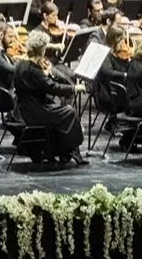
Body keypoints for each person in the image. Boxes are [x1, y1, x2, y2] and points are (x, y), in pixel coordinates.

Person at [13, 30, 88, 166]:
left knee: (62, 112)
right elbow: (53, 87)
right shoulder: (34, 71)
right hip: (37, 111)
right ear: (42, 50)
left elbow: (40, 85)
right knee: (70, 113)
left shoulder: (21, 65)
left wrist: (46, 74)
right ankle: (70, 151)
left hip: (25, 109)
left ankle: (62, 151)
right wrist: (74, 88)